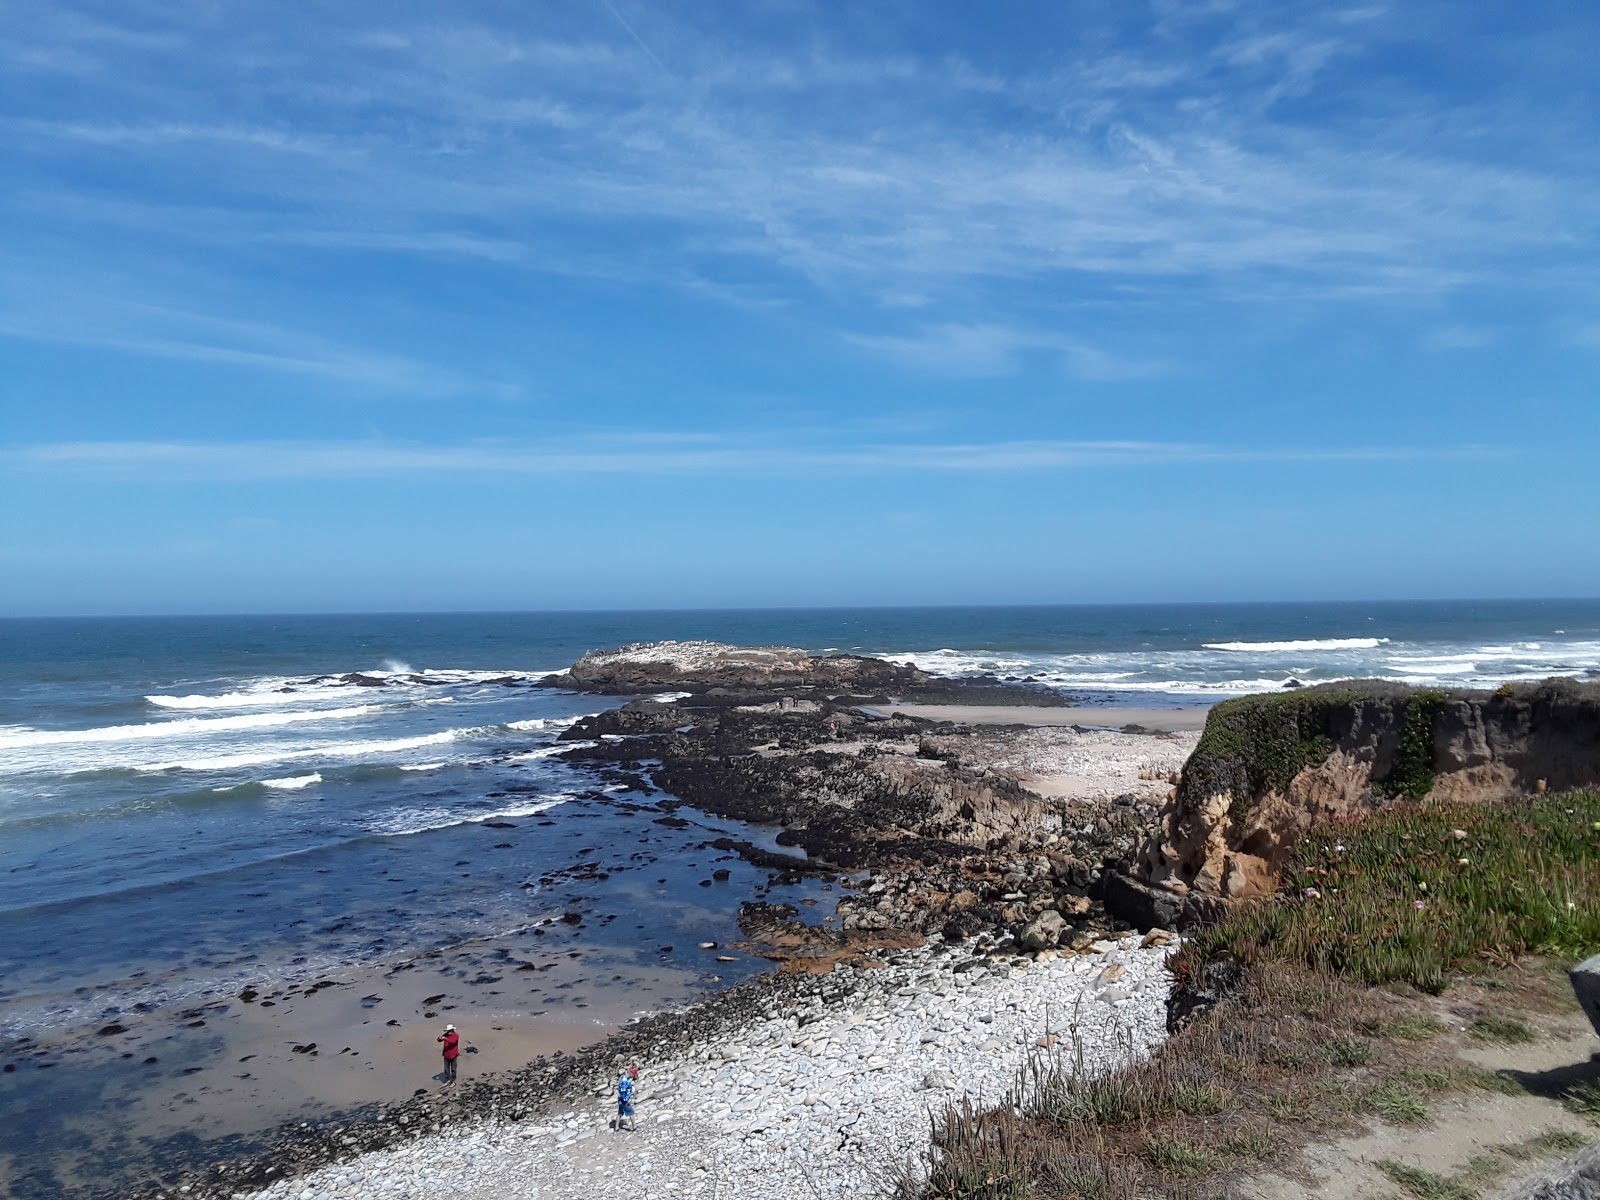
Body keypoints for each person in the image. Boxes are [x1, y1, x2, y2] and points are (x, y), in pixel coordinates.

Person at [615, 1067, 636, 1131]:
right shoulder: (625, 1080)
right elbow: (623, 1091)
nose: (634, 1075)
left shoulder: (624, 1077)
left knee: (620, 1113)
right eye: (634, 1074)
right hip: (624, 1100)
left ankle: (616, 1127)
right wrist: (626, 1100)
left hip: (620, 1099)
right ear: (631, 1073)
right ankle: (634, 1127)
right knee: (631, 1112)